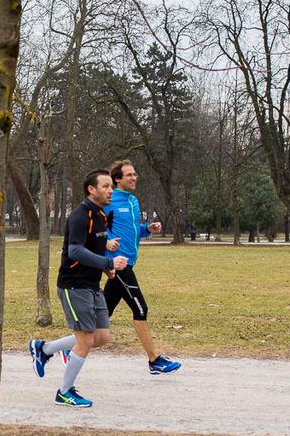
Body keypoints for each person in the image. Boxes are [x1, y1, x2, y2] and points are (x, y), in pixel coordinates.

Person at [28, 169, 128, 408]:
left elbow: (94, 247)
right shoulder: (80, 216)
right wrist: (108, 262)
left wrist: (105, 268)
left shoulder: (101, 215)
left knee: (101, 337)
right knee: (84, 339)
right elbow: (74, 250)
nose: (110, 190)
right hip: (74, 286)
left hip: (92, 285)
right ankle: (64, 392)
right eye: (105, 186)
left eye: (111, 187)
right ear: (91, 189)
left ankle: (45, 349)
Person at [103, 160, 181, 375]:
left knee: (101, 316)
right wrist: (106, 244)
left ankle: (52, 349)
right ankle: (154, 360)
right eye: (129, 175)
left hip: (129, 262)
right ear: (117, 179)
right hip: (117, 264)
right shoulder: (109, 200)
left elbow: (131, 229)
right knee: (140, 309)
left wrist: (148, 228)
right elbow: (93, 230)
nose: (134, 178)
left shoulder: (133, 201)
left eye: (135, 174)